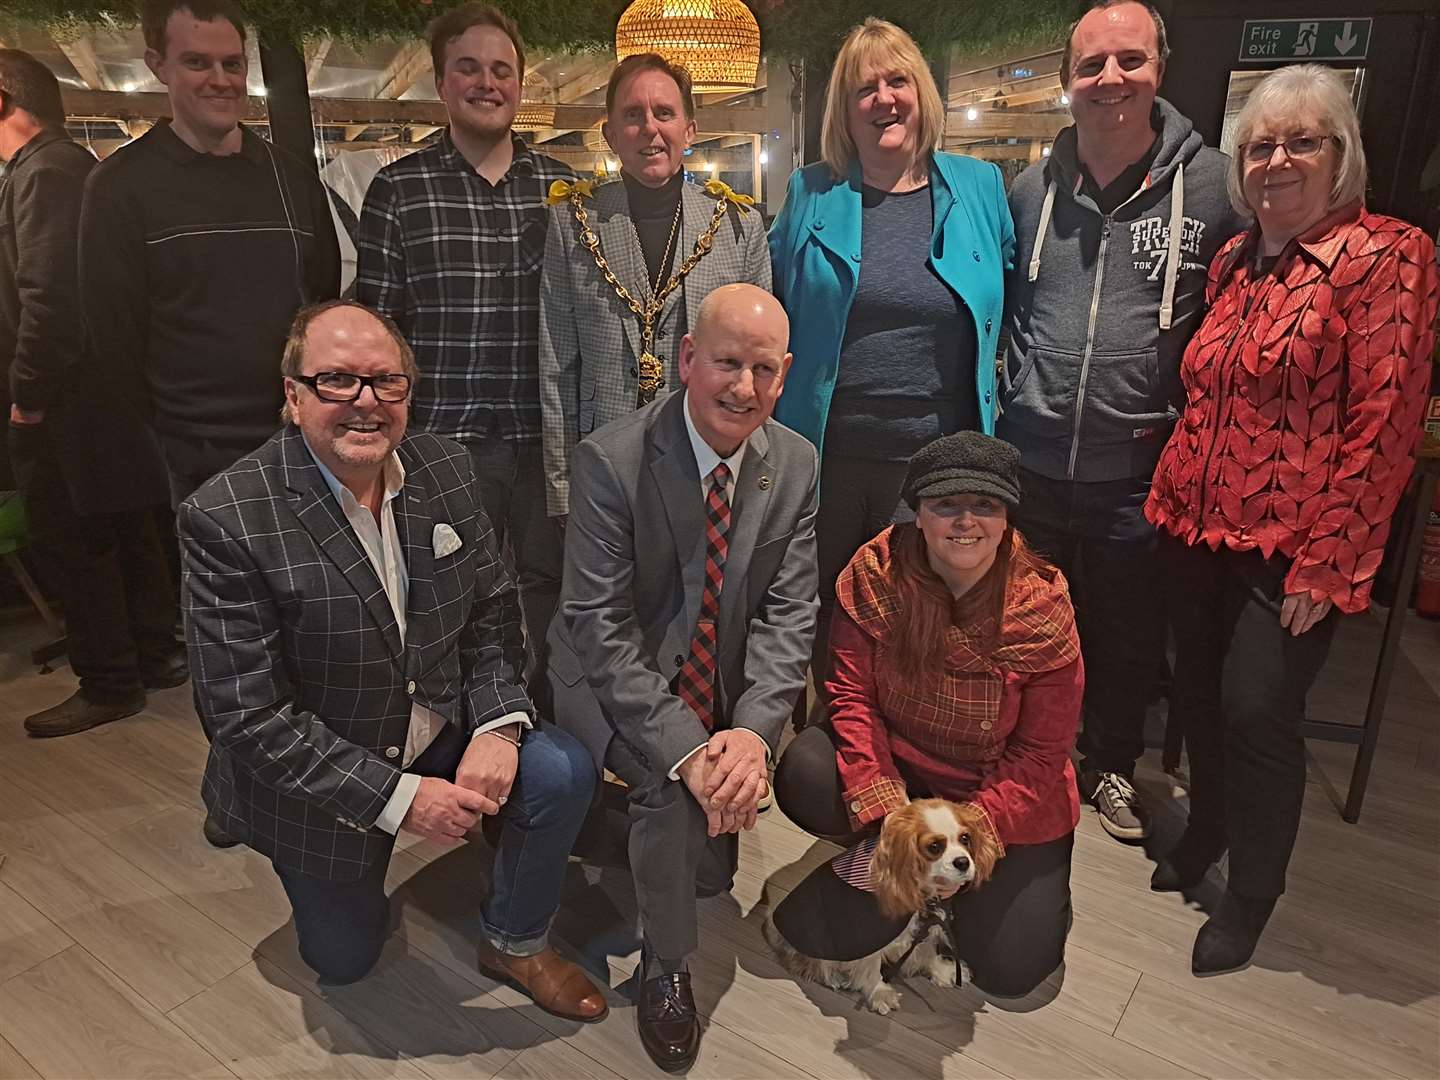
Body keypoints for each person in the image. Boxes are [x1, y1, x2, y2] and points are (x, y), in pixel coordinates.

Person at [179, 300, 605, 1017]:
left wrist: (499, 724)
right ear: (293, 395)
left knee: (560, 770)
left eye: (387, 382)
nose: (366, 403)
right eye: (337, 381)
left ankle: (515, 937)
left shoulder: (445, 467)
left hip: (436, 720)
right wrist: (397, 799)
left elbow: (495, 608)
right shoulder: (226, 518)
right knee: (344, 962)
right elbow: (245, 715)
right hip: (325, 770)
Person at [1144, 64, 1437, 975]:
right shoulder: (1237, 261)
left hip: (1296, 546)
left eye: (1301, 141)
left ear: (1340, 156)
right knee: (1195, 697)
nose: (1277, 160)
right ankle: (1207, 834)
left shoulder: (1387, 256)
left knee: (1257, 712)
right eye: (1261, 144)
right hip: (1194, 527)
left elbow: (1384, 423)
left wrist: (1330, 562)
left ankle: (1254, 894)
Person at [548, 284, 816, 1070]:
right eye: (727, 363)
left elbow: (790, 613)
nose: (744, 387)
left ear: (786, 372)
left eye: (764, 369)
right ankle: (668, 967)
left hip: (719, 679)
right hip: (610, 676)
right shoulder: (610, 460)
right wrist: (688, 750)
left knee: (707, 857)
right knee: (672, 788)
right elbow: (599, 627)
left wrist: (747, 734)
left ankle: (684, 829)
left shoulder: (796, 461)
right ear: (687, 359)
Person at [998, 0, 1245, 842]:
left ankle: (1106, 764)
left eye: (1129, 61)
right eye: (1092, 65)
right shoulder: (1028, 190)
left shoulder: (1214, 188)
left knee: (1126, 638)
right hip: (1030, 461)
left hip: (1140, 471)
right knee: (1022, 633)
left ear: (1160, 70)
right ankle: (1025, 760)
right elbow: (1007, 311)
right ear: (1068, 81)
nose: (1110, 80)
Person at [771, 431, 1084, 998]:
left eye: (984, 505)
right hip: (906, 769)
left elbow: (1041, 754)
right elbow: (849, 695)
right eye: (946, 505)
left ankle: (973, 884)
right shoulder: (874, 573)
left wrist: (973, 829)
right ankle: (889, 858)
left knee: (1011, 972)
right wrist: (890, 812)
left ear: (1007, 516)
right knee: (807, 770)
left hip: (1003, 793)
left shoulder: (1042, 610)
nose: (966, 522)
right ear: (918, 512)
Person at [767, 17, 1014, 691]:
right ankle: (833, 756)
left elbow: (1013, 304)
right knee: (826, 617)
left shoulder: (981, 188)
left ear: (922, 93)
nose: (883, 99)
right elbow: (776, 303)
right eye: (863, 88)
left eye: (896, 80)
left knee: (920, 621)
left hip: (937, 460)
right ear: (844, 112)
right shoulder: (808, 192)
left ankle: (906, 769)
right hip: (829, 456)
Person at [357, 3, 574, 681]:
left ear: (520, 84)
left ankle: (548, 734)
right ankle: (461, 738)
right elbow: (377, 331)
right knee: (448, 594)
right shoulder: (399, 189)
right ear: (442, 83)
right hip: (442, 443)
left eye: (502, 69)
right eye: (469, 68)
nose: (487, 82)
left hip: (546, 440)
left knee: (551, 594)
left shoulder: (563, 191)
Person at [78, 0, 340, 510]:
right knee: (221, 590)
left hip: (301, 440)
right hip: (195, 454)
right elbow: (113, 340)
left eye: (232, 64)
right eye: (197, 62)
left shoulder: (292, 178)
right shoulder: (118, 188)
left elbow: (322, 301)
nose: (220, 79)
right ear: (159, 66)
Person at [1, 49, 186, 737]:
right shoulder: (75, 168)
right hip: (106, 401)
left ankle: (109, 680)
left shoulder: (45, 172)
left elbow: (49, 299)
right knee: (125, 529)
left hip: (69, 404)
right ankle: (154, 657)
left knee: (77, 543)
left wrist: (27, 398)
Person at [538, 53, 770, 520]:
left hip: (711, 462)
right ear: (609, 134)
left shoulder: (739, 227)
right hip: (604, 460)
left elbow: (760, 367)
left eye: (664, 113)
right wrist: (563, 491)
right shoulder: (572, 223)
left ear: (689, 130)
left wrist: (754, 476)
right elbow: (556, 367)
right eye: (632, 115)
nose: (649, 128)